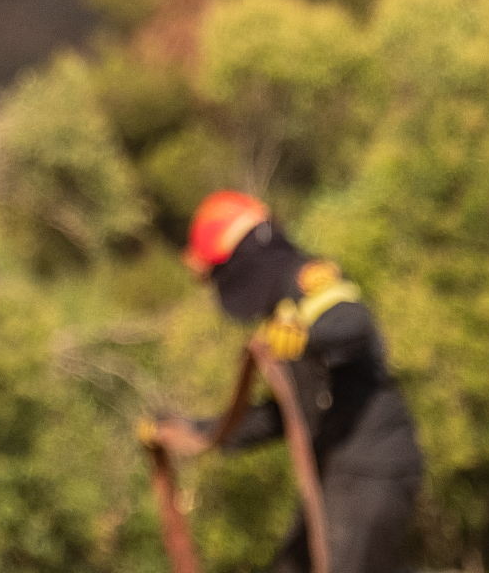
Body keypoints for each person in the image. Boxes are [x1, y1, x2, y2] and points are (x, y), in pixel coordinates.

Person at [145, 190, 424, 573]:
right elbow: (285, 415)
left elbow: (353, 321)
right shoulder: (279, 311)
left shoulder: (304, 277)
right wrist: (190, 430)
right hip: (333, 473)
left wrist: (307, 337)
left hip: (371, 468)